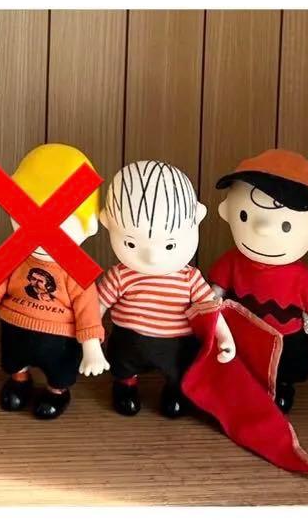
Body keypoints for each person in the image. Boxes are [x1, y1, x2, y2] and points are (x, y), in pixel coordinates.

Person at [0, 143, 108, 420]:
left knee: (59, 371)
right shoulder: (17, 253)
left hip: (60, 336)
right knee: (14, 360)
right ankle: (19, 381)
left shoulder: (76, 268)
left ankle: (56, 392)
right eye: (26, 219)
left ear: (89, 225)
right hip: (16, 325)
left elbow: (88, 311)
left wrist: (92, 348)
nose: (40, 237)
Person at [97, 160, 235, 418]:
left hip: (175, 343)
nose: (152, 257)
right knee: (123, 363)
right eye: (131, 243)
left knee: (178, 369)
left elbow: (210, 309)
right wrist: (91, 335)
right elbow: (98, 305)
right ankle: (125, 386)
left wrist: (225, 338)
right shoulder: (120, 275)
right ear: (107, 223)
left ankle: (175, 390)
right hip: (129, 339)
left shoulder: (190, 277)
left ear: (197, 219)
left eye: (169, 245)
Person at [209, 148, 308, 413]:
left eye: (286, 225)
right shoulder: (233, 261)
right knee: (243, 360)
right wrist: (208, 307)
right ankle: (246, 383)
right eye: (244, 216)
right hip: (242, 330)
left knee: (287, 364)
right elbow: (216, 290)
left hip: (285, 335)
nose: (262, 228)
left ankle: (283, 385)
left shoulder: (301, 276)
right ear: (226, 211)